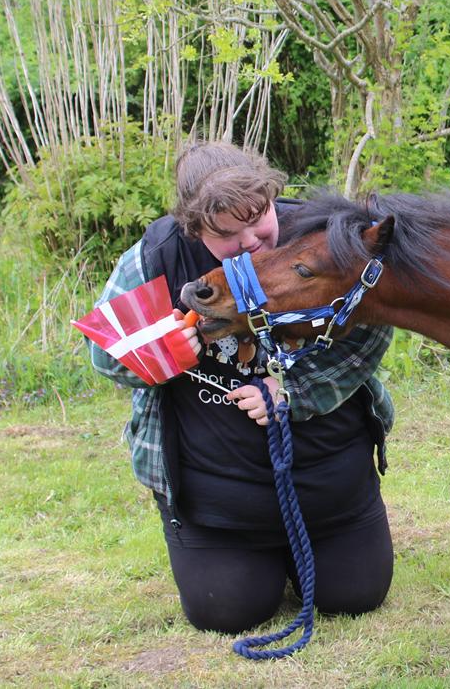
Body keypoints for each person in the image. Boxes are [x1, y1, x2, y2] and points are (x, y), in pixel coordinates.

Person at [88, 141, 394, 635]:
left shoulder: (320, 234)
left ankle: (316, 539)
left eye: (260, 219)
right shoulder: (156, 256)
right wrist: (163, 351)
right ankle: (239, 554)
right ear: (194, 230)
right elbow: (104, 354)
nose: (252, 240)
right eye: (229, 234)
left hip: (328, 478)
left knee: (355, 596)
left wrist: (293, 389)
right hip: (216, 491)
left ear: (273, 196)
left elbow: (372, 324)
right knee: (227, 610)